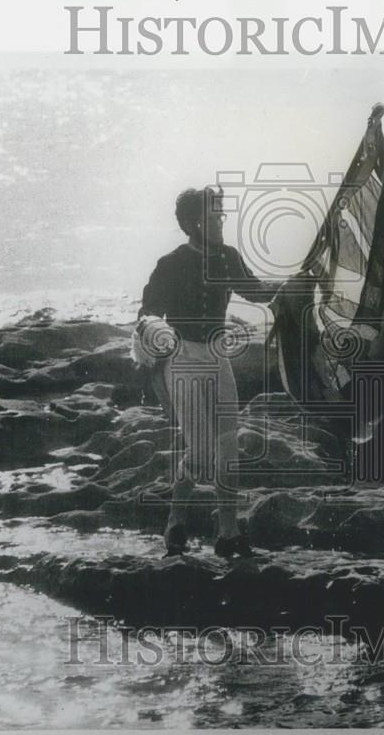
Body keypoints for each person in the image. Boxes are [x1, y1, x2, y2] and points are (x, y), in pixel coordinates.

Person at [136, 186, 281, 558]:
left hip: (219, 359)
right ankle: (174, 522)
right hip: (182, 359)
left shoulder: (228, 257)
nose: (221, 220)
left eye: (221, 215)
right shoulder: (170, 263)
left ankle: (228, 534)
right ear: (197, 222)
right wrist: (155, 330)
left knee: (228, 448)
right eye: (216, 215)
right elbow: (147, 312)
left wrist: (296, 283)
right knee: (200, 456)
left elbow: (256, 290)